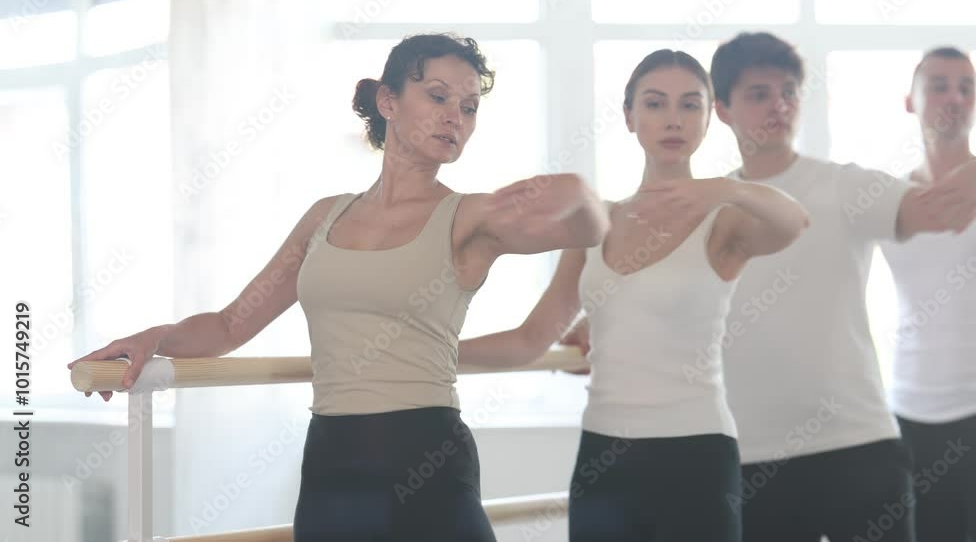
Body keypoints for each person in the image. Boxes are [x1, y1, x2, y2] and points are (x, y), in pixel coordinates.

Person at [68, 33, 610, 542]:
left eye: (469, 107)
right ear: (388, 101)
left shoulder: (470, 217)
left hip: (428, 464)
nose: (455, 117)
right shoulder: (324, 217)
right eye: (438, 96)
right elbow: (230, 326)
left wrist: (577, 192)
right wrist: (155, 338)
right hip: (331, 467)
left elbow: (589, 228)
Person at [458, 49, 809, 541]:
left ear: (709, 118)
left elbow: (795, 221)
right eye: (655, 103)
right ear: (628, 116)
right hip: (604, 458)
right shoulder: (596, 222)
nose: (673, 119)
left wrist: (726, 189)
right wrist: (430, 353)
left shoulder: (724, 221)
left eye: (690, 104)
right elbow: (531, 338)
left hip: (697, 455)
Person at [701, 32, 976, 542]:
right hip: (751, 454)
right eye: (759, 94)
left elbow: (944, 211)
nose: (779, 105)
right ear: (722, 108)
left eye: (788, 92)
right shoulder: (710, 210)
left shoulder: (847, 186)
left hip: (860, 445)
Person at [879, 46, 976, 542]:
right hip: (911, 413)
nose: (954, 97)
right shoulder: (889, 198)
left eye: (966, 87)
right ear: (910, 101)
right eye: (940, 86)